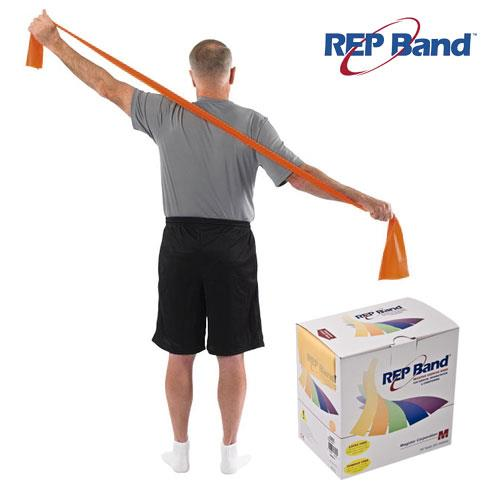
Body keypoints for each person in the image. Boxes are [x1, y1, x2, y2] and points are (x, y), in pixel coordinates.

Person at [28, 10, 393, 475]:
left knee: (179, 353)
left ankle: (180, 452)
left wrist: (52, 40)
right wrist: (361, 199)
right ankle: (228, 455)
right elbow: (301, 177)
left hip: (180, 243)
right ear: (231, 75)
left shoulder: (164, 110)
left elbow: (106, 85)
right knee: (230, 355)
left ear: (191, 77)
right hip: (231, 247)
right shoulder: (252, 124)